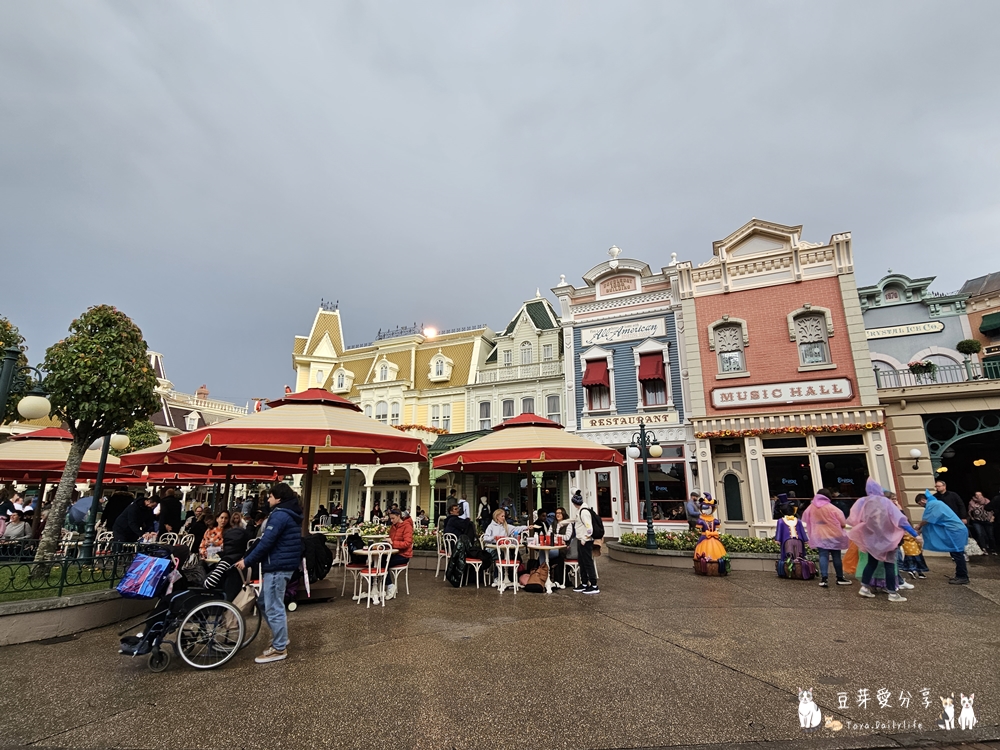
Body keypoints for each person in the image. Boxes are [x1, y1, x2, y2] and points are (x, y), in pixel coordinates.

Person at [236, 482, 303, 664]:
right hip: (281, 564)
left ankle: (280, 647)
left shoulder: (280, 515)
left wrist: (247, 561)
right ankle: (280, 637)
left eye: (271, 496)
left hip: (277, 565)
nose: (268, 498)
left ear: (279, 498)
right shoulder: (288, 514)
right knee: (265, 602)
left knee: (273, 605)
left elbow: (266, 542)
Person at [847, 479, 918, 601]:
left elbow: (854, 519)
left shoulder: (863, 502)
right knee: (889, 565)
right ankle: (892, 593)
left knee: (871, 563)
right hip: (889, 540)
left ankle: (864, 587)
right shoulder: (886, 502)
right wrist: (915, 534)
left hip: (871, 540)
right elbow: (901, 520)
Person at [915, 489, 970, 584]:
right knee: (956, 554)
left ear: (923, 500)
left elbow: (929, 519)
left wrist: (919, 526)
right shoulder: (936, 504)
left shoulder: (934, 505)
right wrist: (920, 530)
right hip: (955, 530)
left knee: (958, 554)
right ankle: (959, 575)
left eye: (920, 504)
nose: (921, 506)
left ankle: (963, 577)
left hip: (954, 531)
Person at [801, 490, 851, 587]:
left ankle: (824, 579)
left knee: (823, 555)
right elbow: (843, 523)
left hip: (819, 535)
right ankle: (840, 578)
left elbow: (805, 518)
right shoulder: (832, 508)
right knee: (836, 556)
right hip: (834, 535)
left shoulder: (811, 508)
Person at [570, 489, 599, 594]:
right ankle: (584, 583)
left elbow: (589, 528)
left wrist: (584, 539)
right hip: (581, 539)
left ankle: (594, 585)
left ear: (575, 503)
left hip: (585, 541)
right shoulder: (580, 511)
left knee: (587, 562)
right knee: (582, 562)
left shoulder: (584, 512)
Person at [693, 495, 729, 575]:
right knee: (703, 551)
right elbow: (699, 530)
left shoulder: (715, 521)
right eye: (705, 507)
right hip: (704, 539)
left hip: (714, 540)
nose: (707, 510)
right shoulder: (701, 521)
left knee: (718, 553)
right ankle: (703, 568)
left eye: (709, 507)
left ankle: (720, 568)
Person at [386, 507, 413, 599]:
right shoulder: (393, 527)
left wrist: (392, 543)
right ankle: (378, 587)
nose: (391, 520)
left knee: (383, 563)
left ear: (398, 516)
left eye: (393, 518)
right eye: (390, 518)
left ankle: (389, 586)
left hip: (404, 555)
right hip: (394, 553)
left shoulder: (407, 526)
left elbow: (407, 543)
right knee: (377, 562)